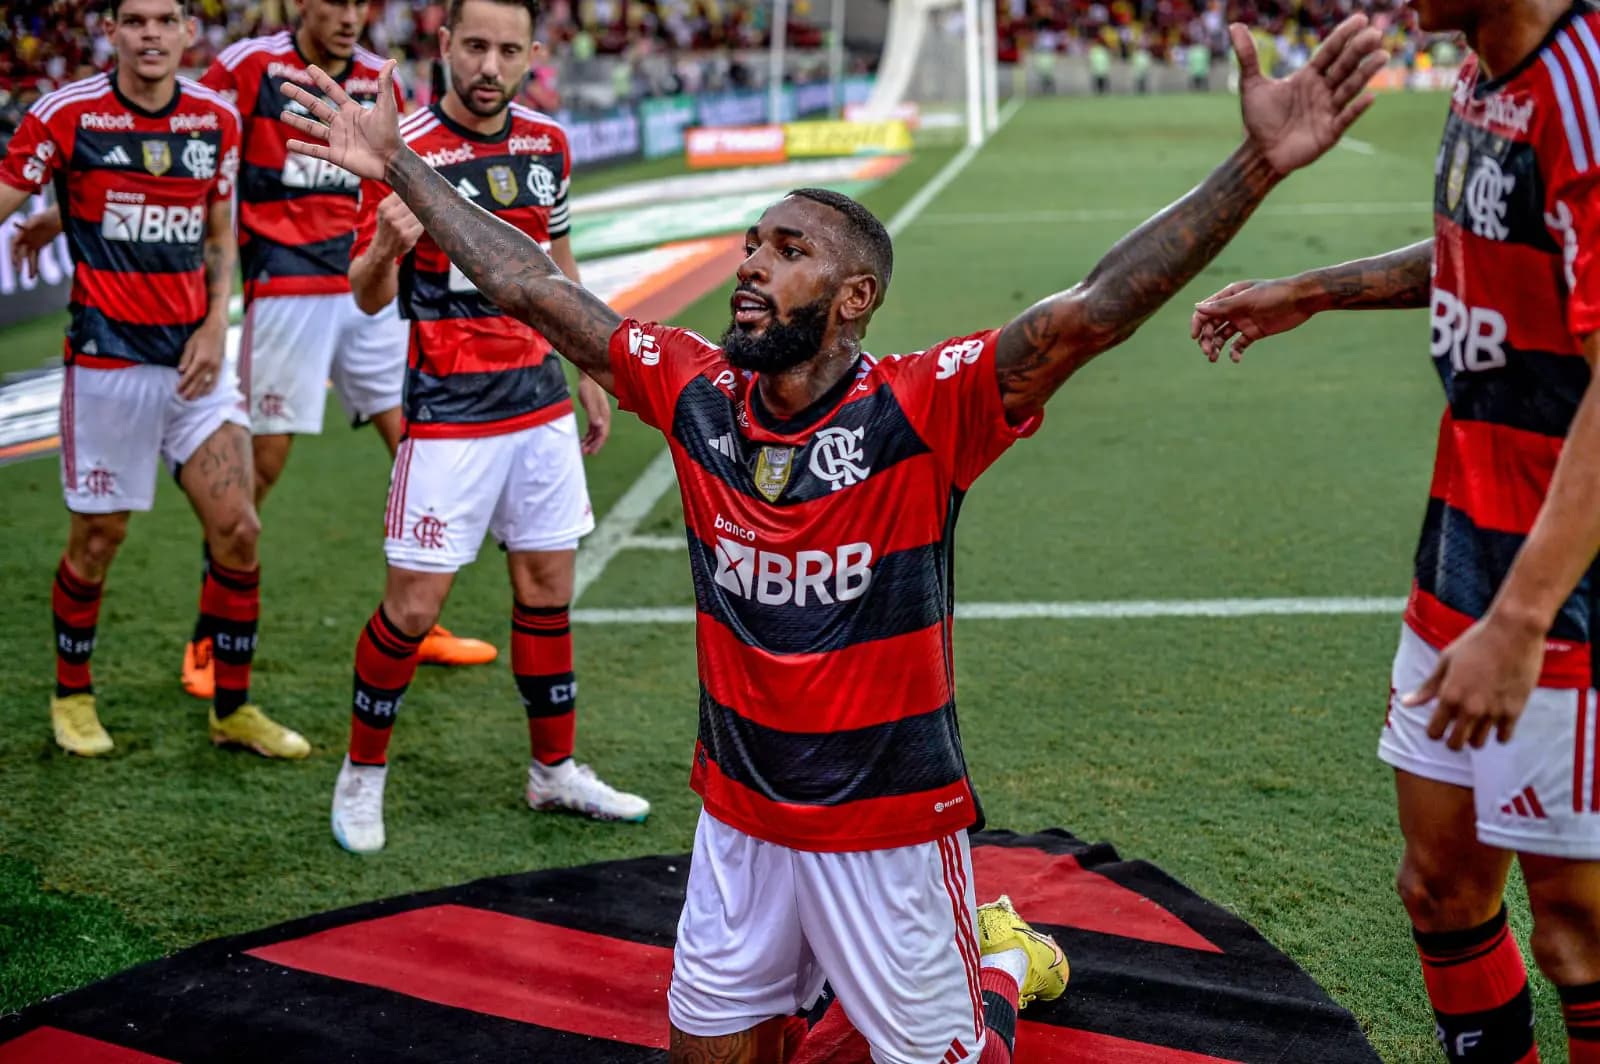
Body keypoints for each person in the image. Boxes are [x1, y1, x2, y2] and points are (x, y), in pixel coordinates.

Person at [282, 12, 1386, 1061]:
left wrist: (1258, 165)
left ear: (853, 295)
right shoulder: (695, 387)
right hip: (738, 825)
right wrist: (401, 170)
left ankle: (997, 962)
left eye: (789, 249)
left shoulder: (922, 407)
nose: (752, 262)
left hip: (891, 833)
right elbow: (529, 282)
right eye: (753, 243)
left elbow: (1092, 308)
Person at [1190, 1, 1600, 1058]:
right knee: (1439, 886)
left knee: (1574, 931)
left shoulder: (1585, 86)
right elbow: (1497, 240)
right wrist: (1315, 291)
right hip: (1461, 542)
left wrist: (1520, 619)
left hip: (1566, 581)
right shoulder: (1483, 70)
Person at [327, 0, 640, 854]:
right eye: (474, 46)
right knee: (414, 607)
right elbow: (364, 294)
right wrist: (387, 248)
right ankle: (362, 775)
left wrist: (590, 363)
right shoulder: (404, 146)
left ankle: (554, 772)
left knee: (547, 592)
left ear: (532, 53)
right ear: (444, 46)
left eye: (508, 49)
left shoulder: (549, 142)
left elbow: (559, 262)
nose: (490, 66)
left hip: (538, 405)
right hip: (450, 417)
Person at [0, 0, 307, 759]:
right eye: (133, 19)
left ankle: (232, 709)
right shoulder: (64, 114)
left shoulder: (214, 120)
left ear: (184, 32)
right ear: (110, 30)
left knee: (239, 529)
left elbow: (217, 231)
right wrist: (54, 215)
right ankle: (72, 695)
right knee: (99, 540)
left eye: (164, 18)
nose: (149, 33)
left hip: (195, 368)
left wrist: (213, 323)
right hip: (107, 366)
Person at [189, 0, 498, 694]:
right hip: (287, 289)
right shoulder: (246, 67)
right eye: (340, 2)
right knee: (256, 473)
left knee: (416, 449)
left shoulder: (379, 78)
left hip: (370, 282)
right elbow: (191, 148)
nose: (353, 15)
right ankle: (207, 638)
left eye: (365, 4)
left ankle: (414, 623)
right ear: (304, 4)